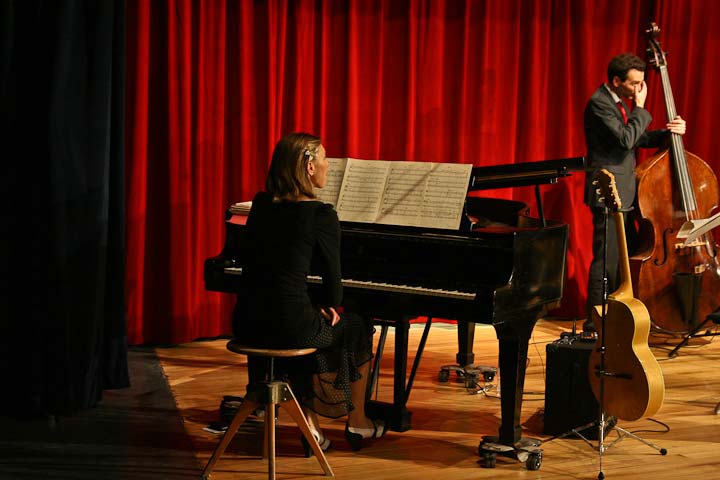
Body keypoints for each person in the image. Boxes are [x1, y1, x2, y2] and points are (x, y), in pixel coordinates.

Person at [233, 132, 386, 453]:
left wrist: (310, 303)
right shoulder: (320, 214)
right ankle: (358, 421)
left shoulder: (261, 204)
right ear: (310, 167)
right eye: (325, 158)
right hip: (291, 327)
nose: (329, 165)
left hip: (248, 323)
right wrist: (324, 304)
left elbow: (256, 262)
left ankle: (312, 428)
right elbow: (334, 291)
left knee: (308, 326)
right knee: (357, 326)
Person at [583, 52, 686, 333]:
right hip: (608, 193)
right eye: (634, 83)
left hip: (626, 193)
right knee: (606, 260)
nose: (640, 89)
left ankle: (616, 317)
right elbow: (627, 139)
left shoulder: (617, 103)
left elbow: (638, 137)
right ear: (616, 81)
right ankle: (594, 322)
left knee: (622, 261)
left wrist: (670, 132)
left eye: (642, 83)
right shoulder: (599, 103)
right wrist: (640, 107)